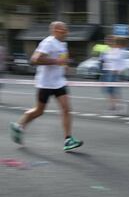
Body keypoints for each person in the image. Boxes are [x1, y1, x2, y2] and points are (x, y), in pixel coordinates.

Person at [9, 21, 83, 151]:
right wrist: (56, 61)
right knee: (39, 111)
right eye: (63, 30)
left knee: (66, 109)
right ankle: (19, 125)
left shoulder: (63, 43)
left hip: (59, 82)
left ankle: (68, 139)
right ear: (55, 30)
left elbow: (61, 60)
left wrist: (65, 66)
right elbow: (35, 59)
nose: (67, 32)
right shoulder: (48, 42)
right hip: (45, 83)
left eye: (67, 29)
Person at [101, 36, 127, 113]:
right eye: (106, 41)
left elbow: (123, 62)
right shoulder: (108, 50)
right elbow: (106, 61)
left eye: (110, 41)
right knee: (108, 90)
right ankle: (113, 106)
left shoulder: (120, 51)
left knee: (115, 90)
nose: (108, 42)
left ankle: (120, 106)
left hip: (115, 73)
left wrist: (119, 70)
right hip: (107, 72)